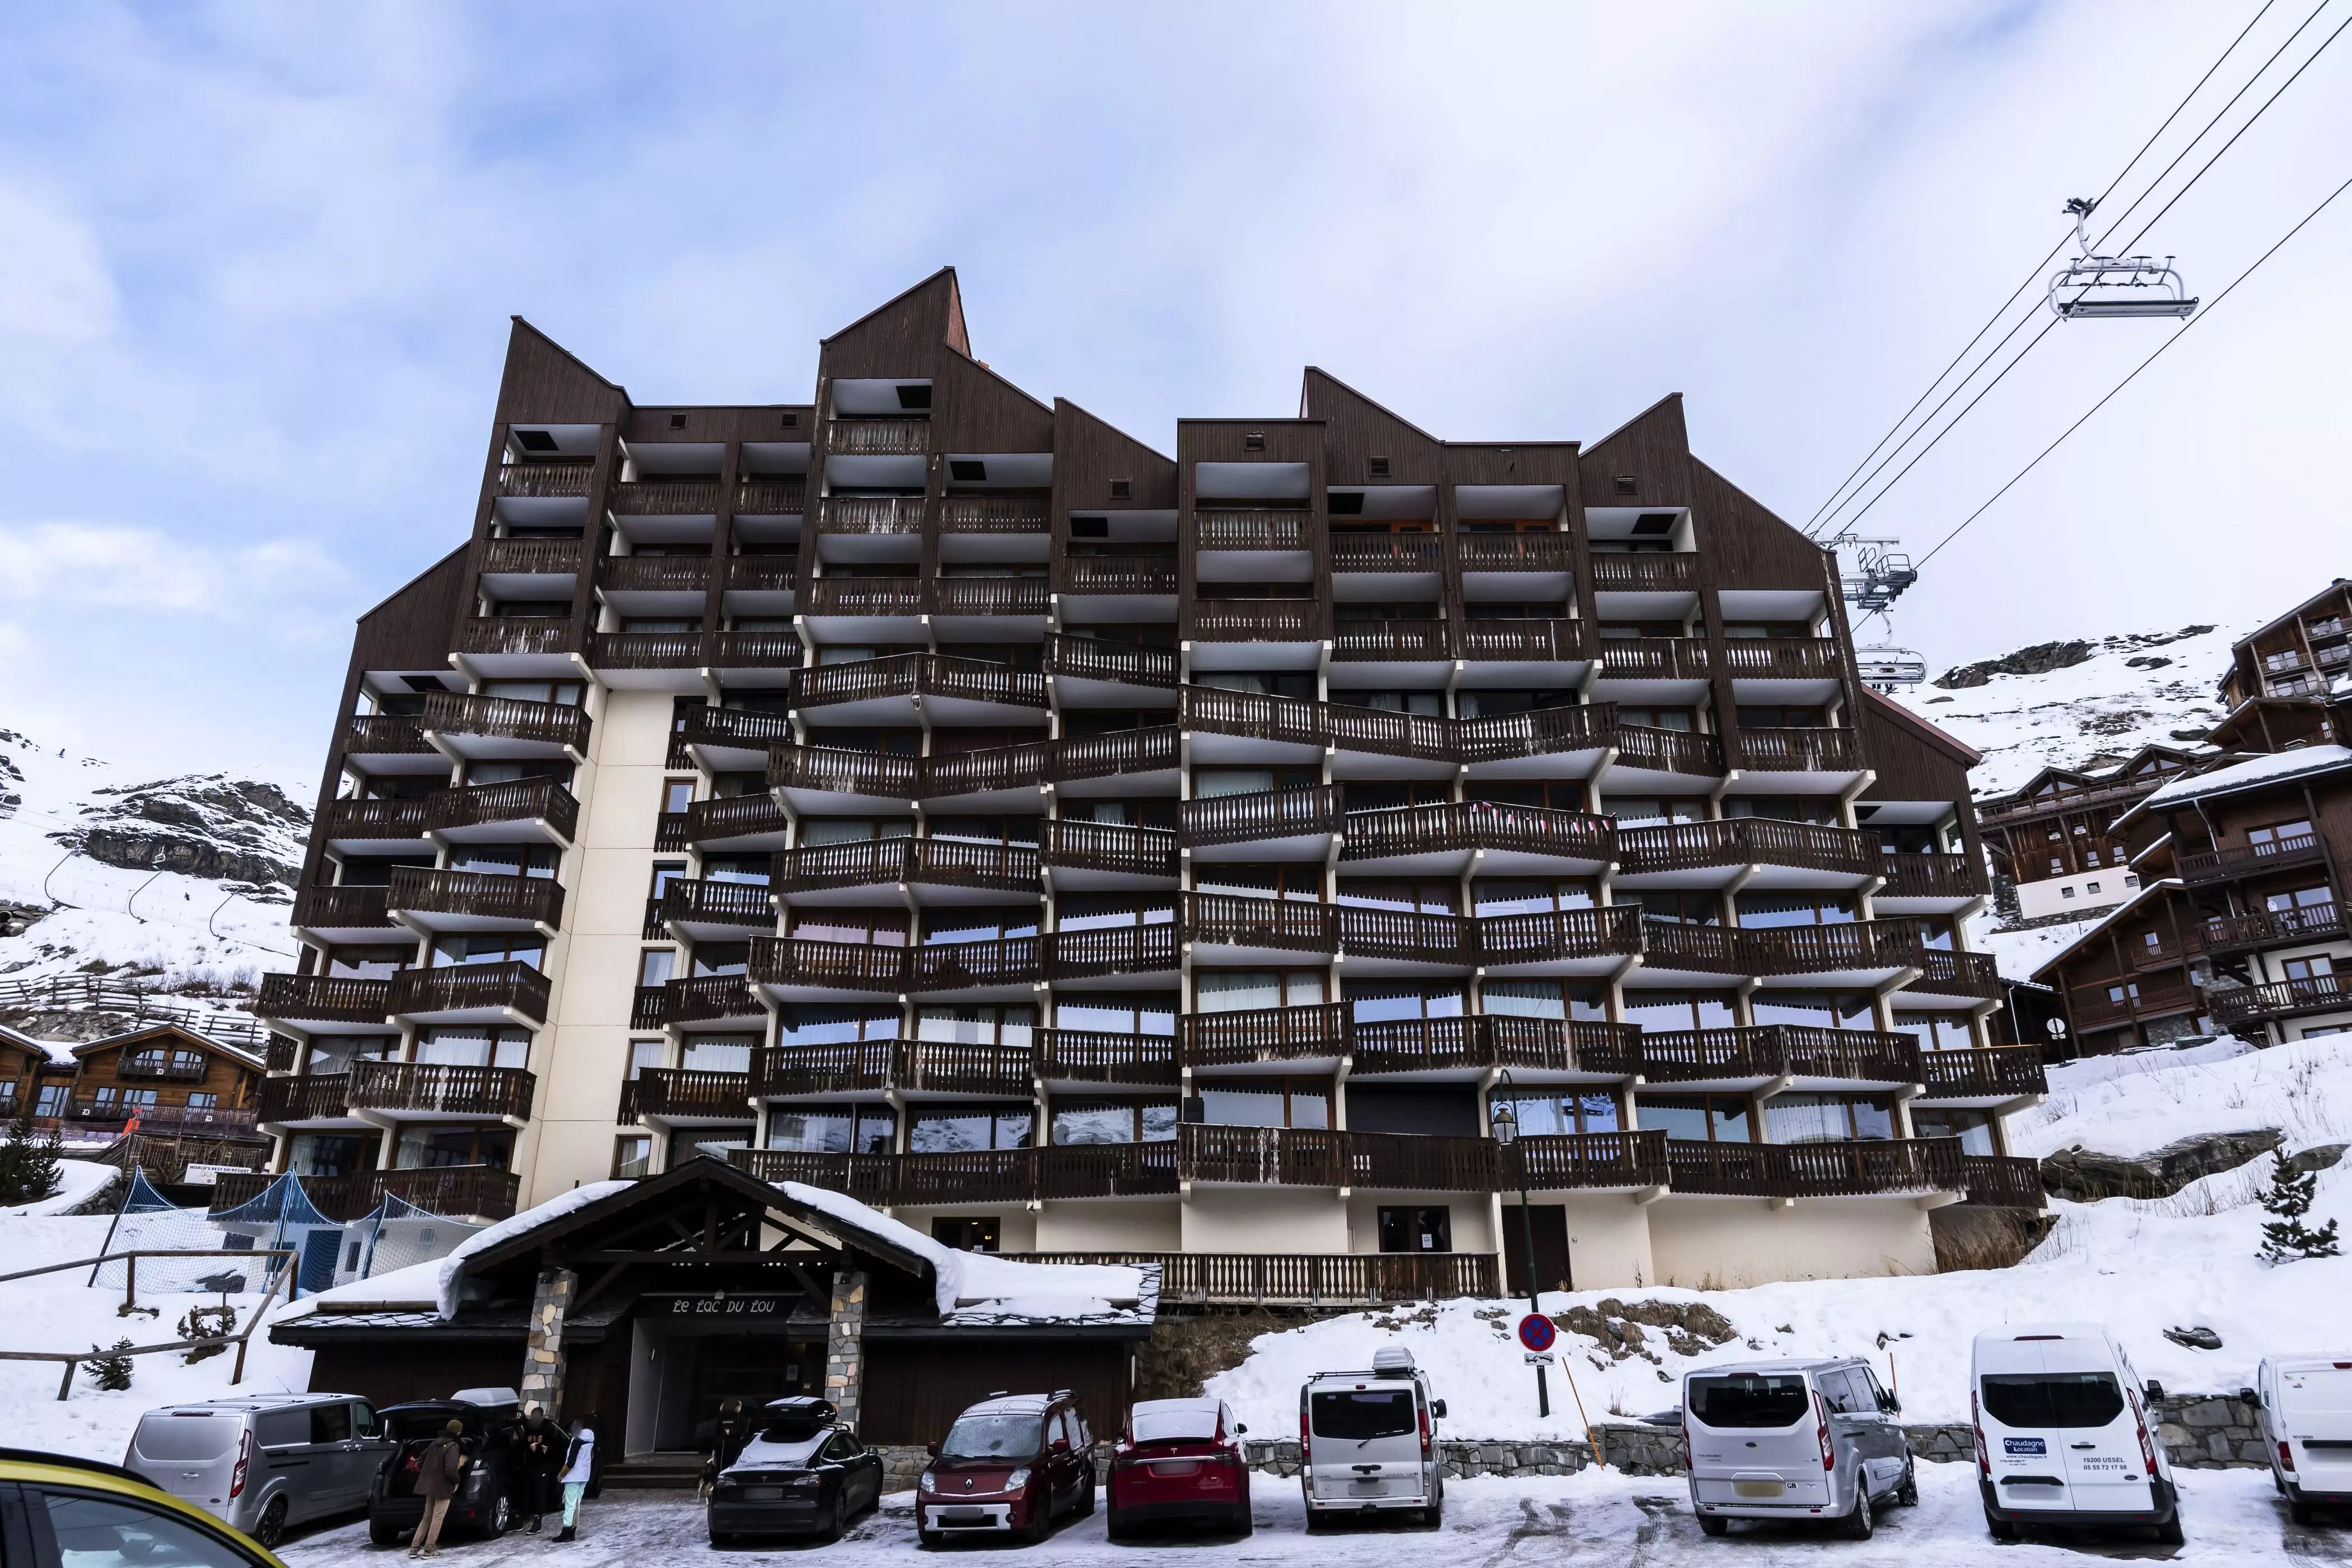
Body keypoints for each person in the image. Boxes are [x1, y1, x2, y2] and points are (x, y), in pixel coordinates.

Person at [409, 1418, 470, 1558]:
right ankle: (430, 1550)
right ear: (458, 1432)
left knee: (427, 1517)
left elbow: (421, 1459)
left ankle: (414, 1548)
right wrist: (456, 1482)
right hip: (443, 1487)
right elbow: (450, 1470)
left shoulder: (434, 1443)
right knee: (438, 1518)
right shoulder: (453, 1447)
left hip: (430, 1487)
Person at [553, 1412, 598, 1543]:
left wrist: (561, 1474)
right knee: (577, 1504)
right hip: (584, 1476)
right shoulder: (590, 1439)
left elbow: (571, 1462)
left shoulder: (576, 1440)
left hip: (573, 1476)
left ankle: (565, 1532)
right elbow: (592, 1456)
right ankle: (573, 1532)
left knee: (570, 1505)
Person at [519, 1404, 563, 1533]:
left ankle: (537, 1522)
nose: (534, 1421)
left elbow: (555, 1447)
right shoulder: (528, 1429)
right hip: (530, 1464)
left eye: (537, 1418)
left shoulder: (548, 1430)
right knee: (526, 1491)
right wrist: (528, 1448)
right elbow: (523, 1444)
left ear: (541, 1417)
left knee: (540, 1493)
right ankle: (520, 1519)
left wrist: (543, 1449)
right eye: (533, 1418)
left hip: (544, 1465)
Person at [701, 1397, 750, 1500]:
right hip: (722, 1446)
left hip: (732, 1446)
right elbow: (717, 1431)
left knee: (729, 1464)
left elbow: (743, 1429)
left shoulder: (739, 1417)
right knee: (720, 1466)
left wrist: (732, 1432)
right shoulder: (722, 1417)